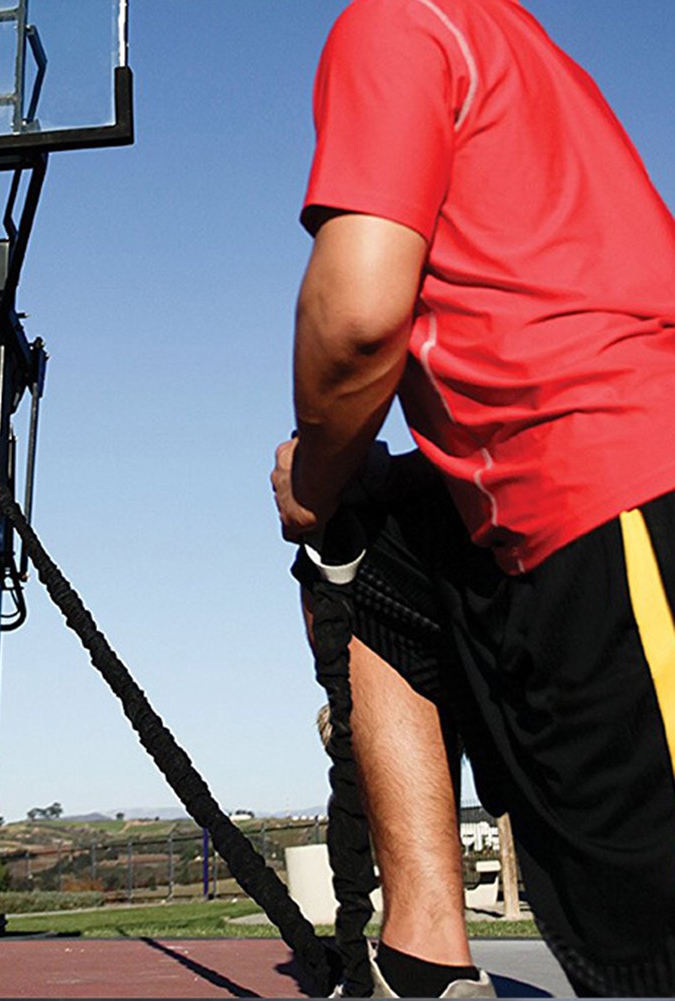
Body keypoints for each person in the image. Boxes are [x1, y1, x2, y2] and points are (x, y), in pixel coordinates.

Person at [272, 0, 675, 996]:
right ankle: (425, 960)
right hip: (553, 486)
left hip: (615, 481)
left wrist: (308, 482)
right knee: (381, 550)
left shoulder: (394, 22)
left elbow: (360, 319)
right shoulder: (523, 48)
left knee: (651, 942)